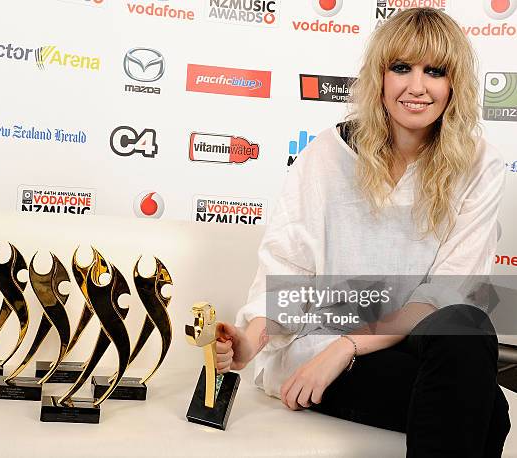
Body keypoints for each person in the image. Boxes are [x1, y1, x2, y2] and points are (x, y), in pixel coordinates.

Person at [216, 8, 510, 457]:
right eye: (401, 68)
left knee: (465, 322)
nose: (417, 87)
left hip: (407, 341)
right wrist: (248, 343)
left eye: (435, 71)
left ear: (455, 85)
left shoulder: (480, 164)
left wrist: (348, 346)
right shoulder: (326, 155)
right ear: (379, 77)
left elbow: (443, 295)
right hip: (317, 342)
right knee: (489, 411)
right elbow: (290, 272)